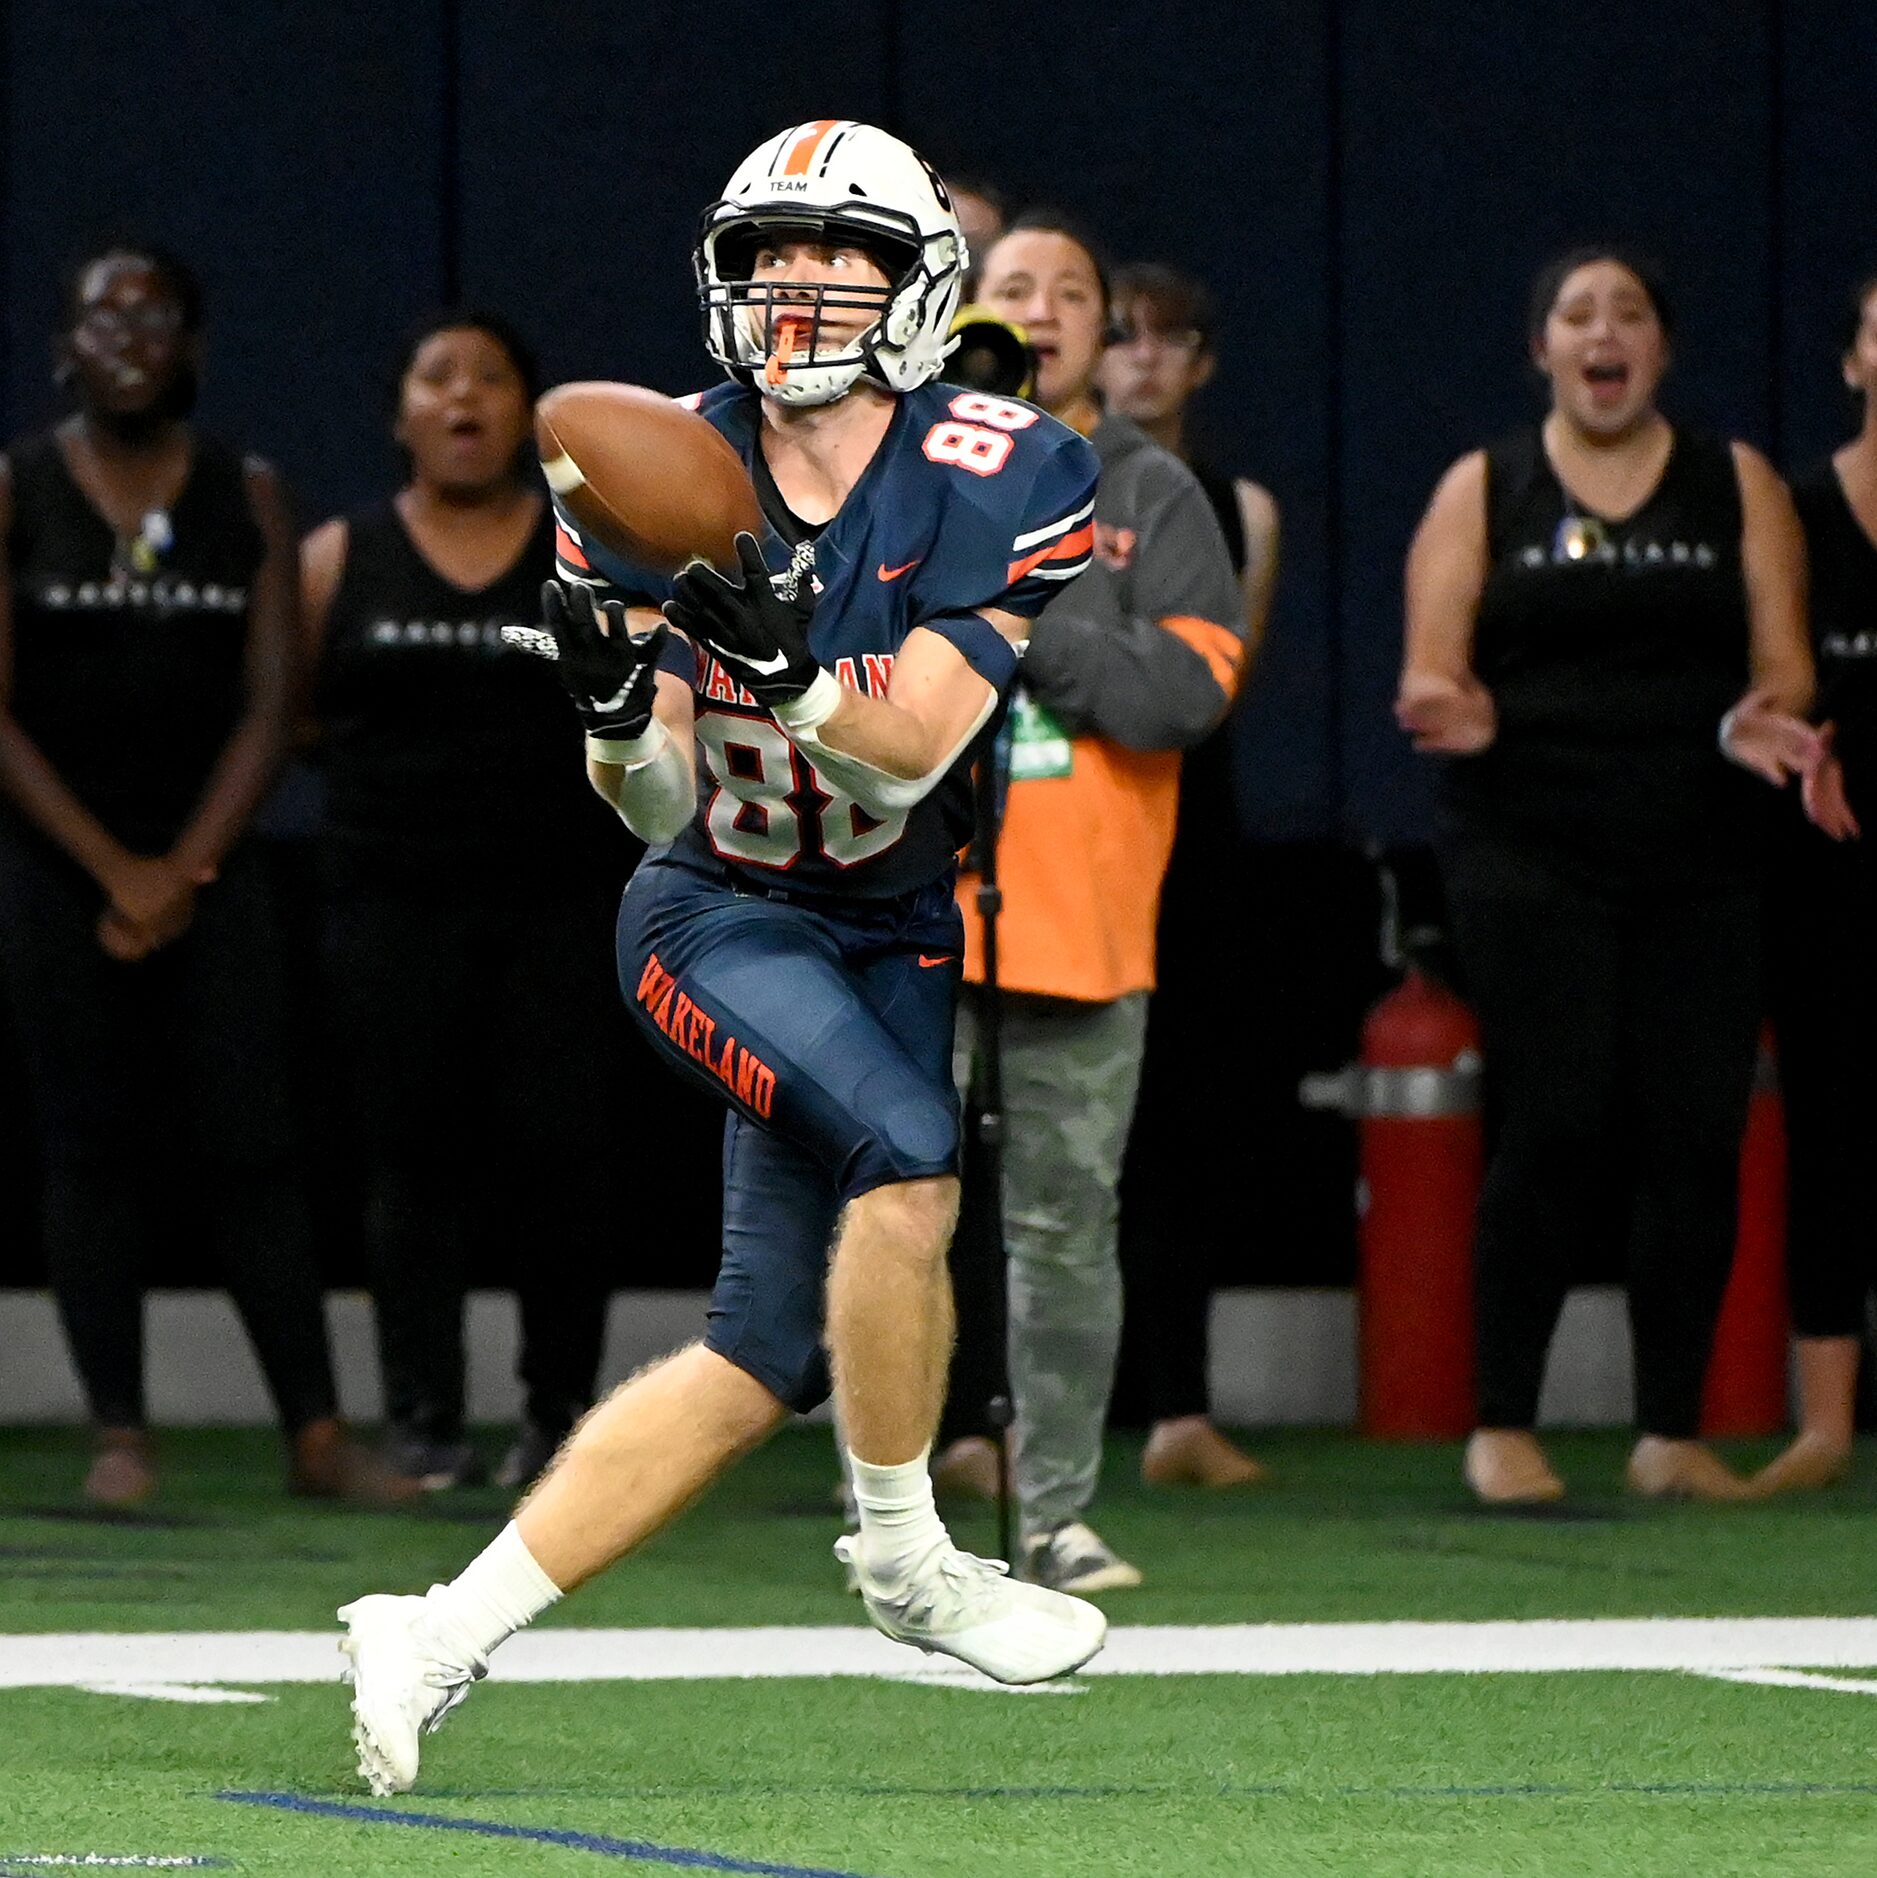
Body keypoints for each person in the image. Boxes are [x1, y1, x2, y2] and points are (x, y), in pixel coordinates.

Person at [337, 119, 1107, 1797]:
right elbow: (655, 799)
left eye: (835, 257)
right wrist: (619, 714)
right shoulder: (649, 460)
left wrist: (801, 664)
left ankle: (434, 1628)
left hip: (893, 915)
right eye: (767, 256)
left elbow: (902, 755)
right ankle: (907, 1562)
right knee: (907, 1156)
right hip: (719, 909)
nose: (794, 289)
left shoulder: (1004, 464)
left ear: (916, 289)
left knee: (762, 1353)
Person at [1398, 247, 1818, 1504]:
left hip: (1702, 849)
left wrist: (1767, 716)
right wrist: (1445, 707)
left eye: (1627, 313)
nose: (1602, 332)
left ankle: (1668, 1433)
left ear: (1658, 350)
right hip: (1525, 850)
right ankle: (1500, 1425)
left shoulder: (1730, 480)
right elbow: (1429, 667)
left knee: (1694, 1133)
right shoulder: (1485, 487)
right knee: (1558, 1118)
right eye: (1576, 314)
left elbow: (1786, 663)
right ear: (1542, 351)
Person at [0, 243, 389, 1506]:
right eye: (102, 319)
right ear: (64, 346)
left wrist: (183, 869)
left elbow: (274, 704)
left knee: (256, 1147)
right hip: (64, 870)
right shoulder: (15, 489)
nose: (128, 339)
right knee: (87, 1146)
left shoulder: (250, 493)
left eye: (156, 317)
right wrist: (116, 871)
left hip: (214, 864)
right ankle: (121, 1430)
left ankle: (318, 1436)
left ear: (195, 349)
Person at [942, 216, 1248, 1590]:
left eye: (1077, 292)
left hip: (1077, 918)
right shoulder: (886, 467)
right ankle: (885, 1509)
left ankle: (1053, 1510)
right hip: (897, 913)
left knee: (1064, 1227)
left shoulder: (1151, 493)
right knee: (885, 1213)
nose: (1048, 309)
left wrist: (1023, 610)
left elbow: (1180, 691)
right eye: (1018, 287)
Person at [305, 312, 651, 1493]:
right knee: (411, 1168)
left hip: (555, 910)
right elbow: (296, 715)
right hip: (389, 912)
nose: (464, 399)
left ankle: (559, 1416)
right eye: (437, 376)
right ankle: (423, 1423)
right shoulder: (334, 556)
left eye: (491, 379)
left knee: (563, 1162)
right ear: (400, 409)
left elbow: (633, 706)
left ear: (529, 414)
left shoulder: (584, 552)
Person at [1100, 260, 1279, 1490]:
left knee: (1176, 1122)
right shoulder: (1033, 487)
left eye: (1172, 340)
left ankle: (1179, 1409)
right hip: (1048, 827)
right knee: (1014, 1123)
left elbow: (1202, 690)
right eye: (1123, 337)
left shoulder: (1239, 508)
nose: (1144, 360)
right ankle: (968, 1423)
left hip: (1183, 837)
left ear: (1201, 365)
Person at [1759, 270, 1877, 1495]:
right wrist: (1807, 734)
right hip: (1829, 864)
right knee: (1833, 1131)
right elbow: (1763, 678)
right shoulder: (1796, 512)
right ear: (1851, 362)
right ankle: (1827, 1423)